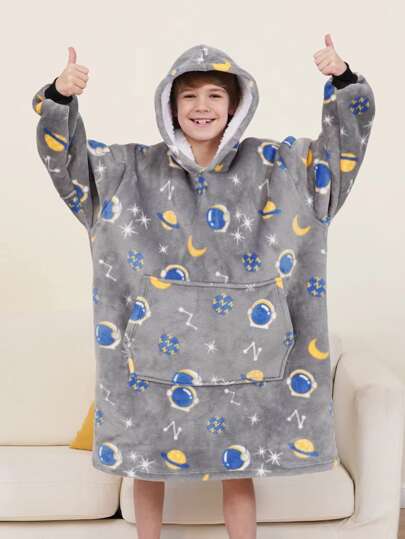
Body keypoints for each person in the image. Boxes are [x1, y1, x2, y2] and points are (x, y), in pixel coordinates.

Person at [32, 37, 374, 539]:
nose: (201, 106)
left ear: (235, 105)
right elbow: (68, 166)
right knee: (147, 464)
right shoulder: (129, 169)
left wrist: (343, 82)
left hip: (246, 359)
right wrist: (59, 99)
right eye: (188, 95)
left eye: (215, 95)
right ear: (170, 105)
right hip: (155, 360)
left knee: (239, 470)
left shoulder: (277, 166)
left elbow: (339, 158)